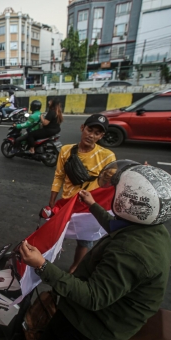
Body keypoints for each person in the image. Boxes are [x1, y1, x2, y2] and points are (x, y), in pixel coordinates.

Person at [20, 161, 171, 340]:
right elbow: (115, 225)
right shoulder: (151, 227)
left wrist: (41, 264)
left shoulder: (130, 253)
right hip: (111, 310)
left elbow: (92, 297)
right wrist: (92, 205)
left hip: (94, 325)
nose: (112, 195)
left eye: (115, 192)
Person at [49, 114, 115, 273]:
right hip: (67, 204)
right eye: (89, 130)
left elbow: (111, 183)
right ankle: (44, 262)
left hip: (88, 209)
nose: (91, 135)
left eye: (97, 133)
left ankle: (75, 267)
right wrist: (52, 201)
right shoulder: (66, 150)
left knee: (85, 242)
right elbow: (59, 176)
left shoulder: (107, 156)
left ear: (102, 136)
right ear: (82, 128)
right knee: (54, 235)